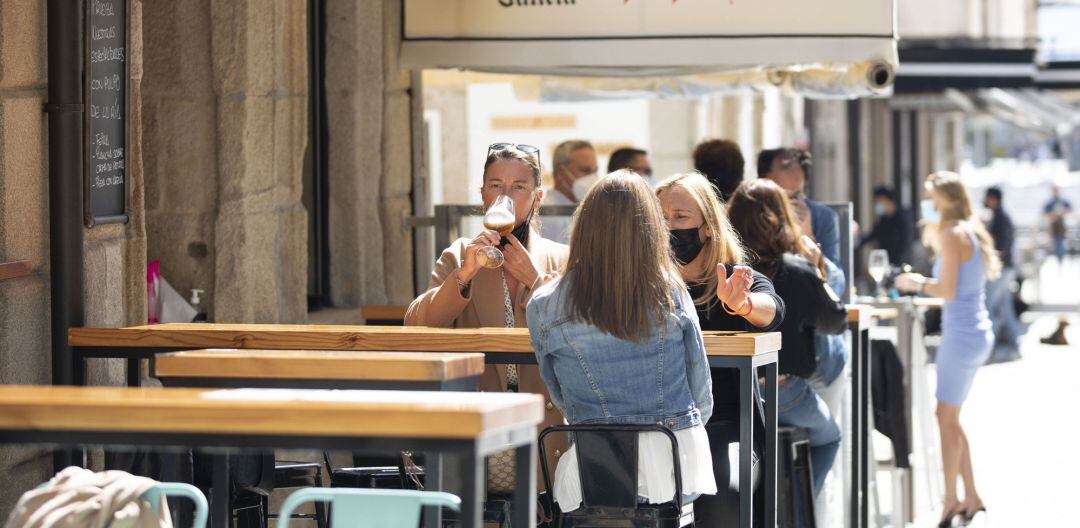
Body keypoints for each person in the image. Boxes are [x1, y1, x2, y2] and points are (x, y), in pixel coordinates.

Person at [527, 171, 717, 512]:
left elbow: (559, 393)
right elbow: (701, 393)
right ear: (651, 230)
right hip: (673, 463)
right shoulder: (671, 291)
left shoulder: (543, 304)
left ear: (584, 225)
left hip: (594, 467)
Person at [405, 143, 568, 492]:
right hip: (479, 424)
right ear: (482, 194)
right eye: (496, 185)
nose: (504, 196)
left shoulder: (561, 259)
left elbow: (579, 336)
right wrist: (464, 275)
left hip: (545, 426)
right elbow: (417, 326)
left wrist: (535, 280)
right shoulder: (460, 254)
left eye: (518, 187)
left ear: (536, 197)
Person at [655, 172, 784, 525]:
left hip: (726, 426)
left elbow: (771, 310)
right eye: (660, 217)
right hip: (656, 426)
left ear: (708, 226)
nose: (668, 227)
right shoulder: (646, 286)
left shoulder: (737, 279)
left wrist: (742, 305)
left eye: (680, 217)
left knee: (719, 497)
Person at [726, 179, 848, 498]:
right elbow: (835, 321)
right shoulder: (796, 270)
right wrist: (818, 266)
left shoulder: (722, 273)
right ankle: (796, 514)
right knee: (830, 436)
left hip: (731, 393)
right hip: (783, 388)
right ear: (781, 217)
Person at [895, 172, 1000, 526]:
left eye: (930, 197)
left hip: (961, 335)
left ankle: (950, 499)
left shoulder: (951, 234)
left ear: (944, 200)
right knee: (951, 419)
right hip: (974, 331)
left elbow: (948, 291)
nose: (927, 203)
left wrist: (916, 282)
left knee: (944, 418)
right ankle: (970, 494)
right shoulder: (969, 230)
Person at [758, 148, 842, 270]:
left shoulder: (822, 217)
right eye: (780, 196)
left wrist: (808, 239)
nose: (787, 206)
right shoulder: (752, 216)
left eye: (794, 197)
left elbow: (837, 282)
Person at [983, 187, 1022, 361]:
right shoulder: (998, 217)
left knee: (988, 307)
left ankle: (989, 347)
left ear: (993, 198)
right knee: (1005, 308)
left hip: (1001, 269)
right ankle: (1014, 345)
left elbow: (1002, 247)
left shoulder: (1000, 219)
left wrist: (993, 266)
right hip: (1005, 268)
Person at [540, 140, 599, 244]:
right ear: (560, 173)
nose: (592, 177)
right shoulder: (545, 216)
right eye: (585, 170)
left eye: (595, 171)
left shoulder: (590, 211)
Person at [858, 186, 915, 266]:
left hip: (901, 264)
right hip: (885, 264)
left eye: (879, 201)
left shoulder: (903, 218)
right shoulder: (883, 220)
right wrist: (855, 241)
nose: (877, 205)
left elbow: (906, 242)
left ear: (887, 200)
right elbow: (872, 235)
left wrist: (898, 264)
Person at [1043, 184, 1072, 267]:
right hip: (1053, 227)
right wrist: (1052, 215)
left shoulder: (1063, 201)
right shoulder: (1049, 202)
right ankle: (1058, 261)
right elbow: (1044, 214)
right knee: (1056, 245)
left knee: (1061, 245)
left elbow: (1070, 210)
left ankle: (1061, 261)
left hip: (1062, 226)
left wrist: (1063, 212)